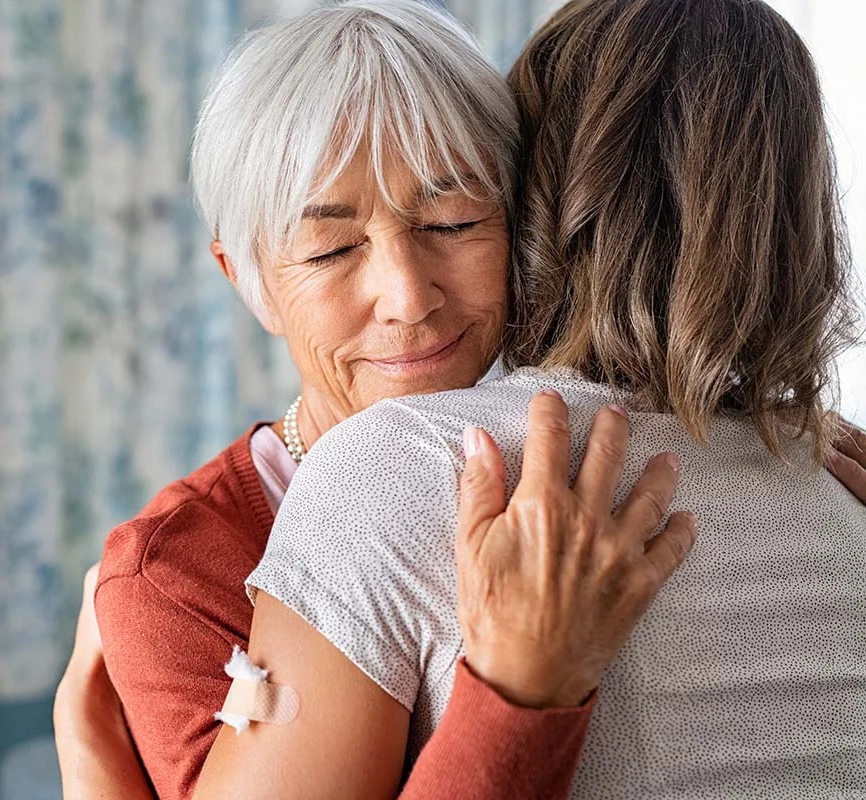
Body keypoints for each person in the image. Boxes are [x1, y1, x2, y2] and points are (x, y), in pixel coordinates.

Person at [53, 0, 866, 797]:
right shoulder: (174, 571)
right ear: (249, 281)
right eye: (331, 248)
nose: (408, 296)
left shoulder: (708, 457)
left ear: (530, 220)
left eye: (451, 222)